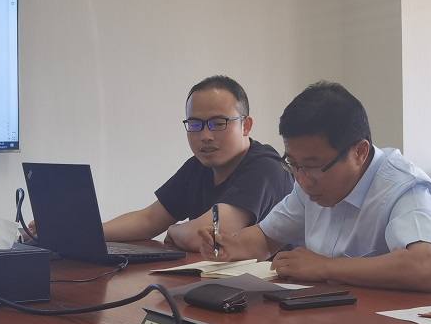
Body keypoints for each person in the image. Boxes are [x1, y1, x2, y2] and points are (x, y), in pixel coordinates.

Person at [199, 81, 431, 293]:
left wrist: (325, 267)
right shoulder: (308, 182)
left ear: (359, 152)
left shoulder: (406, 187)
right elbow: (265, 239)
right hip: (349, 321)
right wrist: (229, 246)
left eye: (313, 166)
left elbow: (425, 267)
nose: (302, 180)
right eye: (293, 164)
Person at [102, 75, 293, 252]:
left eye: (218, 123)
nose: (205, 136)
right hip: (215, 275)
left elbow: (207, 235)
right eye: (195, 125)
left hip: (274, 277)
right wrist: (91, 234)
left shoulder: (266, 167)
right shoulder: (198, 166)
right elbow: (149, 220)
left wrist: (174, 230)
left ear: (246, 126)